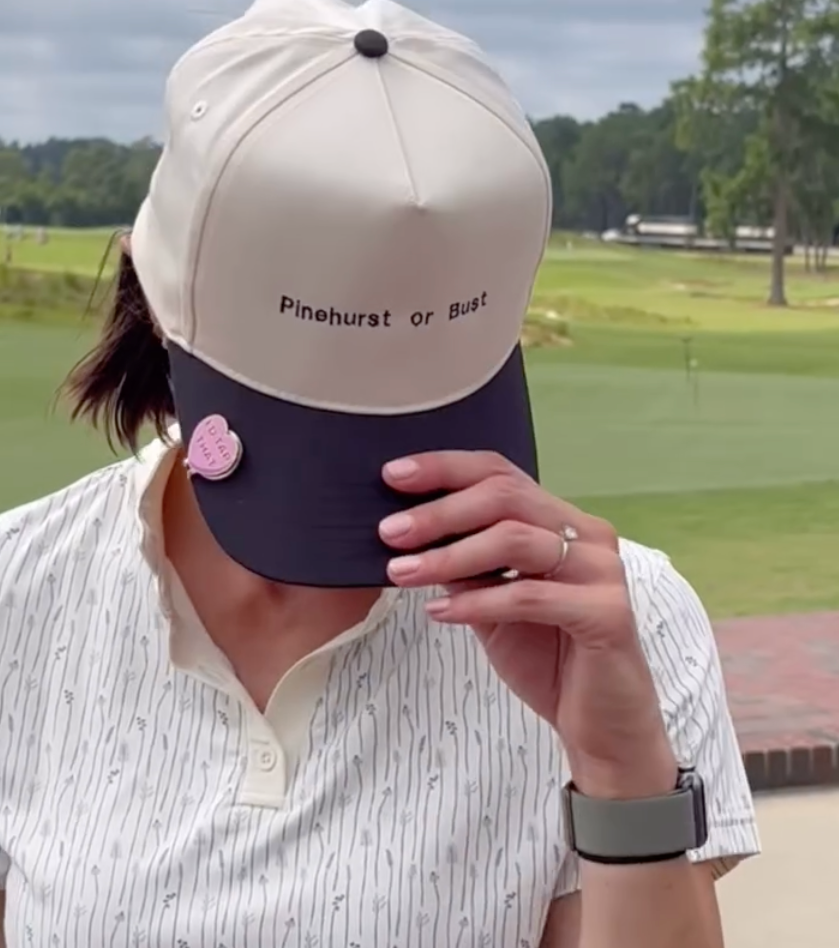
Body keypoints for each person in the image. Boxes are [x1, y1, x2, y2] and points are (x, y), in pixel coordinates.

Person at [0, 1, 759, 946]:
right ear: (157, 299)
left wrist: (620, 770)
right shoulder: (19, 592)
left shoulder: (614, 626)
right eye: (305, 424)